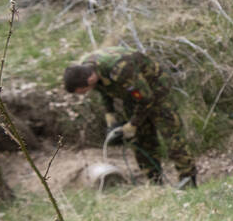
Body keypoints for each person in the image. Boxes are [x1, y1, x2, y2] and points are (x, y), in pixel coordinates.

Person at [63, 47, 198, 188]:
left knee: (172, 136)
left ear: (90, 79)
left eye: (84, 90)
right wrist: (110, 113)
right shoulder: (86, 70)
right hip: (132, 96)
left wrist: (133, 124)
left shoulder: (120, 69)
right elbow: (103, 90)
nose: (85, 93)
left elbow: (146, 98)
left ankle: (188, 179)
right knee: (141, 140)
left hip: (156, 90)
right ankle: (155, 182)